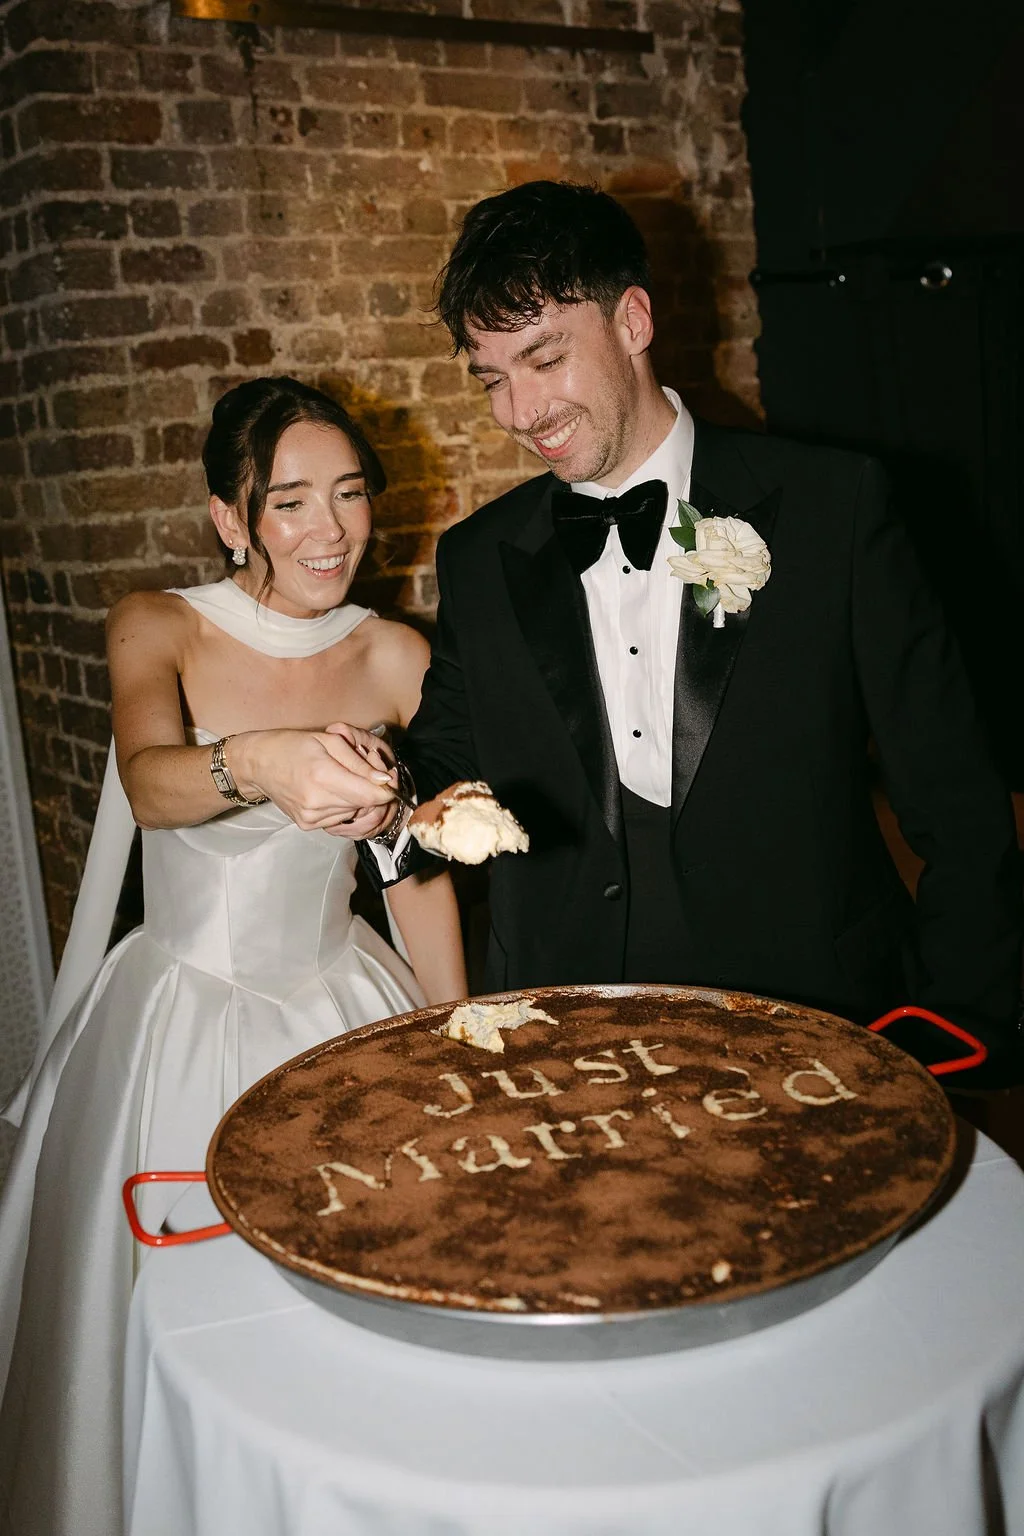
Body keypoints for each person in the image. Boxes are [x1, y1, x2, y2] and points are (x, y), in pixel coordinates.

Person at [362, 179, 1022, 1089]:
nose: (518, 412)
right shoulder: (479, 559)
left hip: (817, 1031)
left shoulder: (836, 509)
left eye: (545, 358)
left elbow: (958, 804)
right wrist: (373, 783)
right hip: (570, 1041)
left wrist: (960, 1034)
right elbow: (442, 756)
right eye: (492, 378)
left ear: (632, 321)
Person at [0, 376, 466, 1536]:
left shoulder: (397, 656)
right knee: (171, 1317)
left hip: (342, 1007)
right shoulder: (156, 622)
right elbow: (154, 788)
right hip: (179, 1021)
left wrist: (457, 1037)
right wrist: (257, 758)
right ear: (231, 518)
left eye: (350, 496)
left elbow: (418, 866)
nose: (330, 531)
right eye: (292, 502)